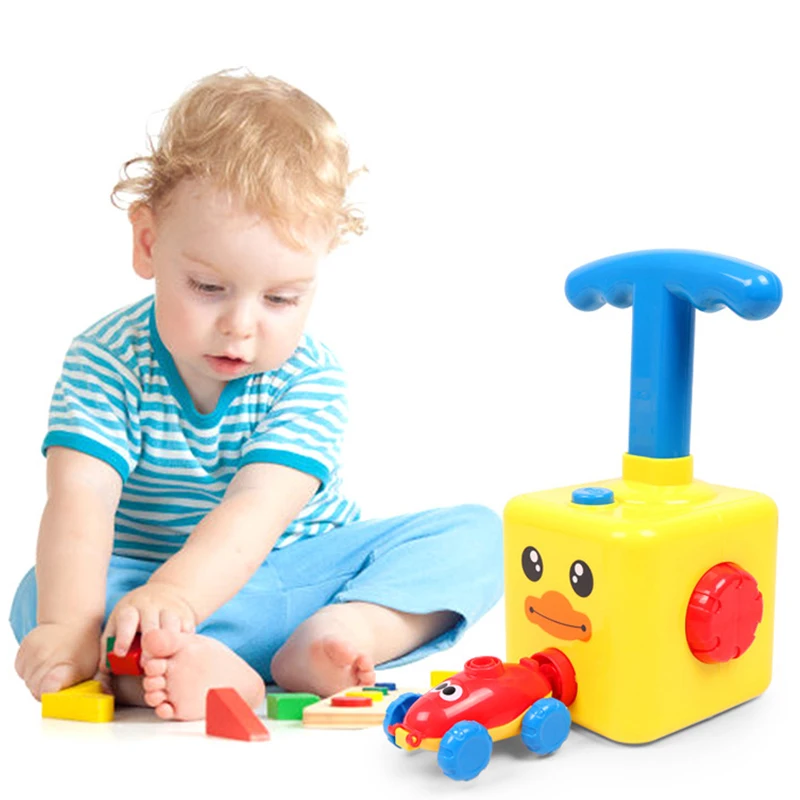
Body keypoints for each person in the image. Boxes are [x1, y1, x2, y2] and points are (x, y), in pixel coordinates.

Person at [10, 70, 503, 721]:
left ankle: (345, 633)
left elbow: (256, 510)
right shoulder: (105, 360)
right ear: (148, 243)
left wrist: (181, 598)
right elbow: (81, 499)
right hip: (144, 590)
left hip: (297, 577)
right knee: (41, 596)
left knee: (480, 534)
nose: (241, 326)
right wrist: (70, 624)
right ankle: (171, 664)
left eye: (280, 298)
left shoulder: (309, 377)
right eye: (209, 288)